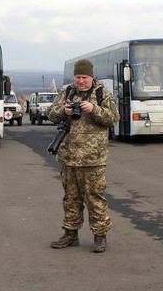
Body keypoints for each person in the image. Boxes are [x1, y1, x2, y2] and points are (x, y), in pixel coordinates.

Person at [47, 59, 119, 253]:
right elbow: (50, 114)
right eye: (78, 77)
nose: (80, 81)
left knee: (95, 198)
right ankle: (70, 234)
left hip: (93, 159)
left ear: (91, 77)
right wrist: (64, 110)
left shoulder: (103, 94)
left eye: (84, 77)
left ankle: (100, 236)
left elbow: (113, 118)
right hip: (69, 158)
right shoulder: (67, 93)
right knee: (70, 198)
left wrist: (94, 109)